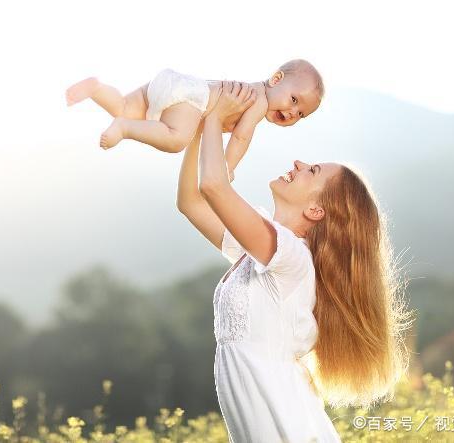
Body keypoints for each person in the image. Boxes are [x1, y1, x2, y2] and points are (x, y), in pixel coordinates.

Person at [176, 81, 415, 442]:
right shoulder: (257, 250)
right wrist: (198, 128)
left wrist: (213, 114)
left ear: (316, 209)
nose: (299, 163)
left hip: (282, 418)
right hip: (264, 415)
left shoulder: (289, 255)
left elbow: (214, 186)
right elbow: (191, 202)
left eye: (313, 171)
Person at [65, 59, 323, 181]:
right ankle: (125, 128)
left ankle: (96, 89)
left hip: (172, 83)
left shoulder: (253, 89)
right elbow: (241, 137)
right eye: (294, 100)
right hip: (192, 98)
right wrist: (227, 168)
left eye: (301, 114)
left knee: (123, 106)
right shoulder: (259, 101)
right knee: (176, 138)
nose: (293, 113)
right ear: (276, 79)